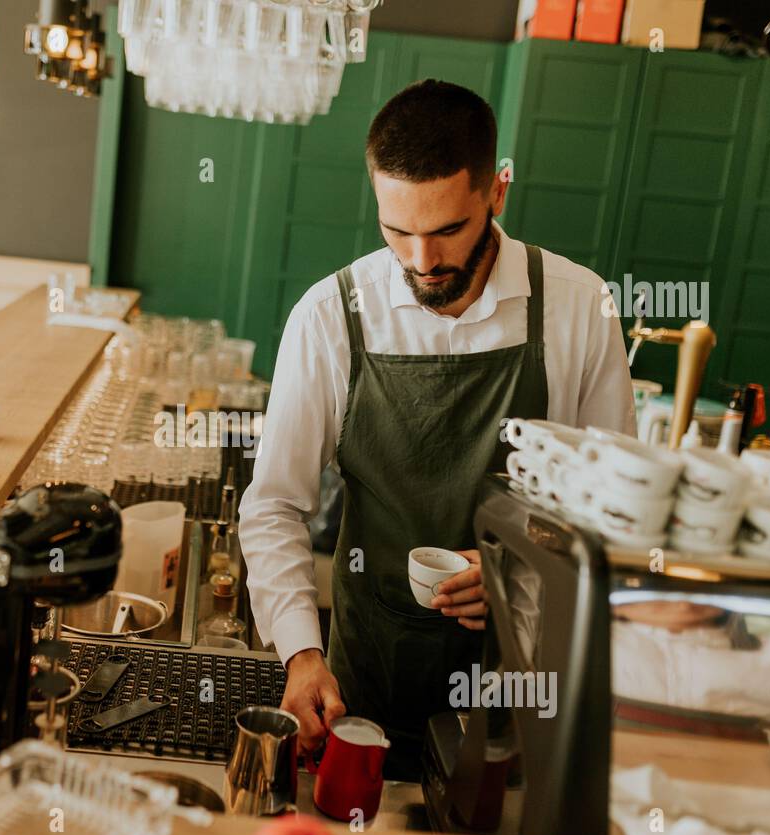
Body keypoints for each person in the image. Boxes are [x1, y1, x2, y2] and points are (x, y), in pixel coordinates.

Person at [238, 79, 637, 781]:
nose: (422, 261)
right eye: (398, 232)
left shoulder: (579, 308)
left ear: (497, 194)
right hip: (367, 684)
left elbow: (615, 511)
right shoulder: (331, 316)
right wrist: (301, 652)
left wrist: (523, 567)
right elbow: (274, 504)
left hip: (525, 691)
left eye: (447, 230)